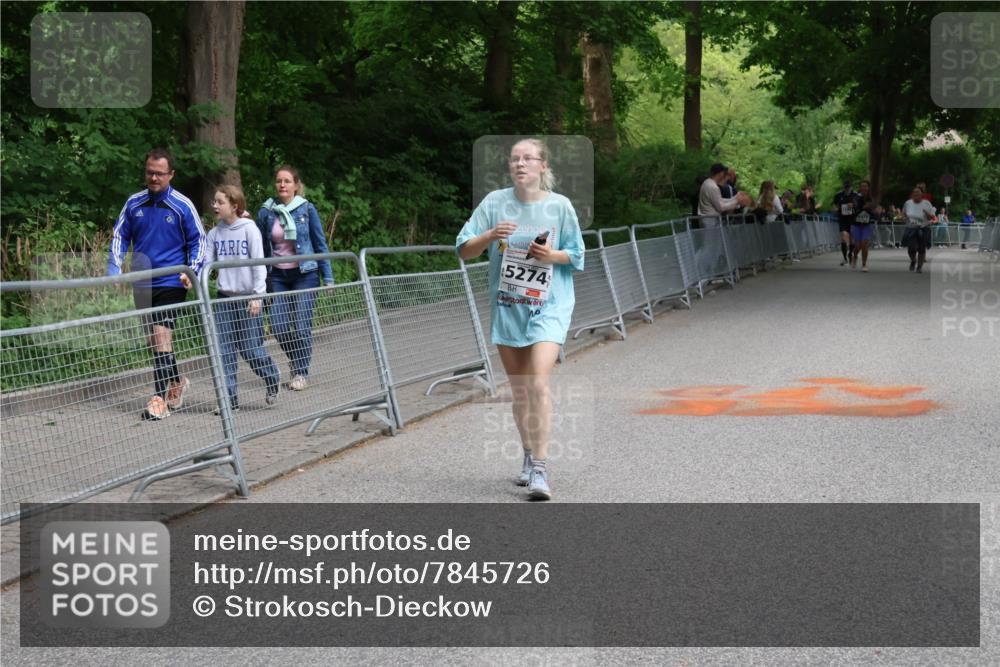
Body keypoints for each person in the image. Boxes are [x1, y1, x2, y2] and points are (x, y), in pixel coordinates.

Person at [456, 139, 585, 501]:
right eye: (515, 159)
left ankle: (541, 470)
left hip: (550, 305)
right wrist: (488, 235)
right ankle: (528, 455)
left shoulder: (560, 206)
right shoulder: (494, 203)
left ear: (543, 166)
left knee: (538, 383)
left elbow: (576, 254)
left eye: (528, 158)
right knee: (520, 390)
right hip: (508, 305)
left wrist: (551, 254)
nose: (520, 164)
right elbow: (464, 249)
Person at [108, 148, 206, 420]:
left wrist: (192, 271)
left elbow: (199, 241)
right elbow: (119, 236)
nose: (154, 178)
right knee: (155, 341)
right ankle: (177, 381)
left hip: (172, 280)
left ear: (171, 175)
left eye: (160, 174)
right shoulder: (134, 203)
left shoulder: (182, 205)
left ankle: (158, 400)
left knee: (162, 335)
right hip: (142, 281)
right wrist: (114, 268)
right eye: (150, 172)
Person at [256, 166, 334, 392]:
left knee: (301, 327)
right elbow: (261, 246)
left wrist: (327, 277)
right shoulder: (267, 212)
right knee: (279, 327)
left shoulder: (307, 209)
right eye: (279, 181)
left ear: (296, 185)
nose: (282, 185)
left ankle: (301, 372)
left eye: (287, 181)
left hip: (305, 274)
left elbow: (320, 245)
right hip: (278, 275)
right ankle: (296, 358)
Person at [207, 185, 280, 414]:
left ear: (234, 205)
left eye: (220, 202)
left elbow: (259, 264)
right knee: (224, 351)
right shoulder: (214, 233)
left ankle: (271, 376)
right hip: (224, 298)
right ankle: (230, 400)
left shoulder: (250, 230)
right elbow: (205, 264)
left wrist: (258, 295)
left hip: (248, 297)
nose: (215, 206)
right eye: (214, 202)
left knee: (250, 349)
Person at [902, 187, 937, 273]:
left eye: (918, 193)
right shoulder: (908, 203)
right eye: (914, 193)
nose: (916, 194)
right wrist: (904, 218)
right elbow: (904, 213)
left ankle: (919, 266)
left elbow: (932, 217)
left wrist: (927, 213)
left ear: (922, 195)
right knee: (911, 248)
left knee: (921, 248)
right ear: (912, 194)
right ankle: (913, 260)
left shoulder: (927, 203)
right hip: (911, 228)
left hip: (923, 228)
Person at [850, 180, 879, 272]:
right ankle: (854, 256)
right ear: (860, 188)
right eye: (862, 186)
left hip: (867, 224)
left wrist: (874, 210)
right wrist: (855, 207)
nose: (864, 188)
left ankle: (864, 264)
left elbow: (876, 212)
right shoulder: (856, 197)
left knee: (864, 243)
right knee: (858, 245)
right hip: (856, 224)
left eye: (865, 186)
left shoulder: (872, 199)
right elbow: (854, 208)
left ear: (868, 188)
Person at [832, 180, 862, 267]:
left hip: (853, 218)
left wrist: (854, 205)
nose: (847, 189)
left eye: (848, 187)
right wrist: (835, 209)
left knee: (852, 239)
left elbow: (860, 206)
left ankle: (850, 254)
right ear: (843, 187)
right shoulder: (838, 195)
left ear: (851, 187)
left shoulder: (856, 195)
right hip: (842, 219)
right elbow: (834, 205)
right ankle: (845, 258)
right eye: (846, 187)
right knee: (844, 237)